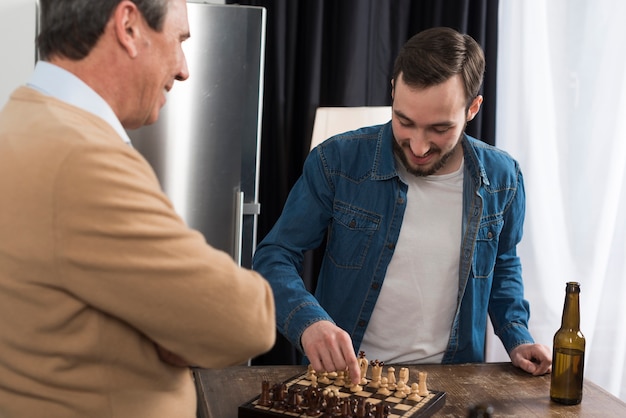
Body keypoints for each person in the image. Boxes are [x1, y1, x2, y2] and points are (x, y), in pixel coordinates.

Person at [0, 1, 275, 417]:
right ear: (128, 27)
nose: (184, 69)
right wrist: (178, 329)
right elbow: (247, 320)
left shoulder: (20, 121)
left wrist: (166, 324)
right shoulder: (83, 158)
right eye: (179, 40)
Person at [252, 27, 551, 384]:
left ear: (473, 108)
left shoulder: (504, 178)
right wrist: (309, 322)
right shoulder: (338, 161)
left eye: (439, 129)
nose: (419, 147)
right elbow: (274, 255)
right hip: (347, 381)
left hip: (451, 384)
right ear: (394, 89)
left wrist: (517, 336)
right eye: (404, 122)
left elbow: (502, 265)